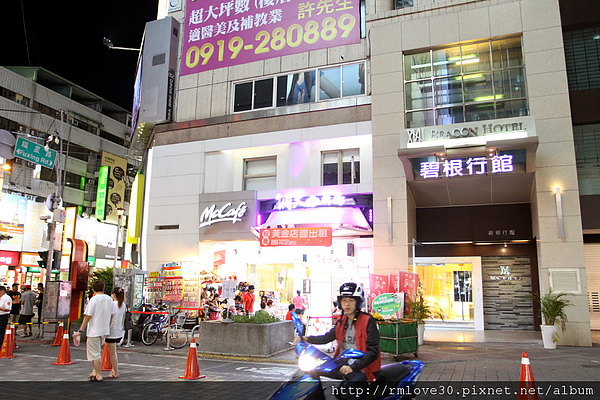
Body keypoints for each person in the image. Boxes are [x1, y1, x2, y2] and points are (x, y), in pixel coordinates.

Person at [297, 282, 381, 394]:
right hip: (341, 363)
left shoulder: (367, 320)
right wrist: (307, 339)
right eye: (344, 300)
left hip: (362, 367)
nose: (347, 304)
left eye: (351, 300)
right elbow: (327, 338)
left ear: (358, 302)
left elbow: (373, 351)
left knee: (345, 392)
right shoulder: (341, 320)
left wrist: (353, 367)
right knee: (311, 371)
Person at [73, 280, 115, 382]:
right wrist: (107, 325)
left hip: (94, 330)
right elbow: (112, 314)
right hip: (104, 330)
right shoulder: (109, 299)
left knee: (95, 354)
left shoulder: (94, 299)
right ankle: (94, 372)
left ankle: (98, 375)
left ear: (93, 289)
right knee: (97, 352)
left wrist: (80, 330)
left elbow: (88, 316)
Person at [105, 287, 126, 378]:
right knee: (113, 352)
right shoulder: (123, 305)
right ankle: (114, 370)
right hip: (120, 331)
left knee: (112, 353)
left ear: (114, 295)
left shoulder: (112, 304)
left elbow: (109, 317)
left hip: (111, 331)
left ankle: (115, 371)